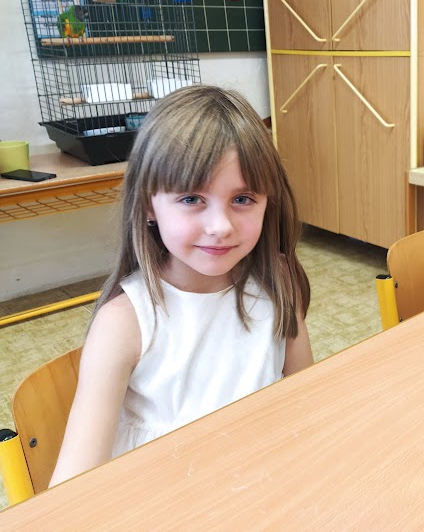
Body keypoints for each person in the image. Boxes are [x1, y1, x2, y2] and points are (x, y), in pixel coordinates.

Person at [50, 86, 313, 486]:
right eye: (191, 199)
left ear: (268, 202)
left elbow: (307, 398)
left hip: (267, 481)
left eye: (243, 199)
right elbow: (73, 484)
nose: (220, 226)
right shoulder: (124, 322)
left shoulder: (278, 281)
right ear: (148, 205)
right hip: (165, 495)